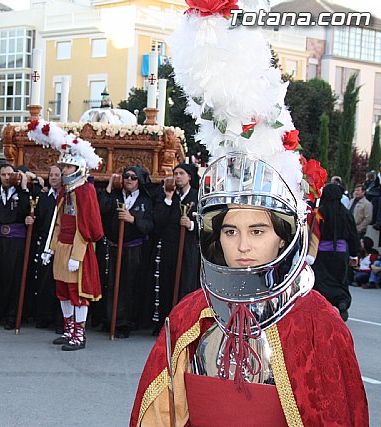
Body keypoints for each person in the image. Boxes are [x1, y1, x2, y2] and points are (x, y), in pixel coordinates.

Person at [131, 4, 367, 424]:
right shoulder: (191, 315)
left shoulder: (317, 324)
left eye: (258, 231)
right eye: (229, 231)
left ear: (283, 235)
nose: (241, 246)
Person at [29, 120, 104, 351]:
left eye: (68, 168)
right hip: (62, 246)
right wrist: (50, 248)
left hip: (76, 249)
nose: (64, 171)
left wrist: (77, 255)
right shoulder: (66, 191)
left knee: (77, 293)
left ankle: (79, 335)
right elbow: (58, 223)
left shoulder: (85, 190)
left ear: (78, 169)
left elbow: (88, 228)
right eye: (64, 168)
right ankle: (68, 329)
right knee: (62, 291)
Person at [98, 166, 154, 338]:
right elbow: (101, 209)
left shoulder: (145, 200)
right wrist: (108, 186)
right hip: (113, 246)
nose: (129, 180)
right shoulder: (114, 195)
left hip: (132, 249)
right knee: (110, 283)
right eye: (126, 176)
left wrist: (132, 219)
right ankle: (110, 320)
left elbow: (150, 225)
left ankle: (124, 323)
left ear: (139, 181)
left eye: (133, 177)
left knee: (128, 285)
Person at [151, 163, 200, 333]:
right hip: (170, 247)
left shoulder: (197, 196)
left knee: (186, 284)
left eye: (181, 173)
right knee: (167, 283)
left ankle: (183, 324)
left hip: (187, 248)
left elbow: (208, 223)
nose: (177, 176)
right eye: (175, 173)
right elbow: (159, 221)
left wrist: (192, 224)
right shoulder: (167, 195)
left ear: (189, 177)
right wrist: (168, 199)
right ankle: (165, 323)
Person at [0, 164, 32, 330]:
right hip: (0, 241)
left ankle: (12, 315)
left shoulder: (22, 195)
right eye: (4, 175)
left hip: (16, 242)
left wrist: (25, 187)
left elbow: (28, 210)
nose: (6, 178)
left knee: (15, 278)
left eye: (9, 174)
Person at [312, 183, 360, 321]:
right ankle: (342, 302)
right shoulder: (346, 213)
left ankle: (322, 306)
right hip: (340, 253)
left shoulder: (319, 213)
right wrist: (354, 254)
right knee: (340, 280)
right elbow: (353, 235)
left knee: (321, 281)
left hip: (321, 254)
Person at [31, 165, 63, 329]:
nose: (53, 178)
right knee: (44, 279)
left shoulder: (67, 198)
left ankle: (60, 320)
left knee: (60, 281)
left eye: (57, 175)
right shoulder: (43, 197)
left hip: (61, 242)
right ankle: (44, 316)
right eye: (51, 175)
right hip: (45, 242)